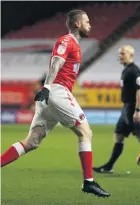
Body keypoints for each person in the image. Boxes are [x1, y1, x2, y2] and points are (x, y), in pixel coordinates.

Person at [1, 10, 110, 198]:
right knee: (85, 132)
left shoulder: (75, 44)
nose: (90, 24)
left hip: (51, 95)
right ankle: (89, 182)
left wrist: (47, 89)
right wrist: (47, 87)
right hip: (57, 91)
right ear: (77, 24)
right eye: (87, 21)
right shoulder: (67, 41)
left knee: (32, 141)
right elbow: (56, 62)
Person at [93, 45, 140, 174]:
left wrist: (138, 110)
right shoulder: (126, 70)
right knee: (118, 135)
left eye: (123, 53)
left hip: (132, 108)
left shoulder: (134, 71)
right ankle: (109, 166)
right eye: (119, 54)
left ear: (130, 55)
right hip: (126, 108)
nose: (120, 56)